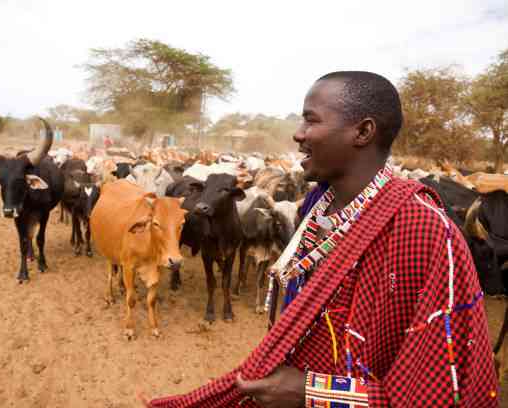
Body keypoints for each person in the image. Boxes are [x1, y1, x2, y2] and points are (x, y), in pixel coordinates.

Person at [142, 71, 499, 407]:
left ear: (363, 132)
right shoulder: (315, 205)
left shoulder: (424, 230)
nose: (298, 134)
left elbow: (438, 392)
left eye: (311, 120)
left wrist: (312, 392)